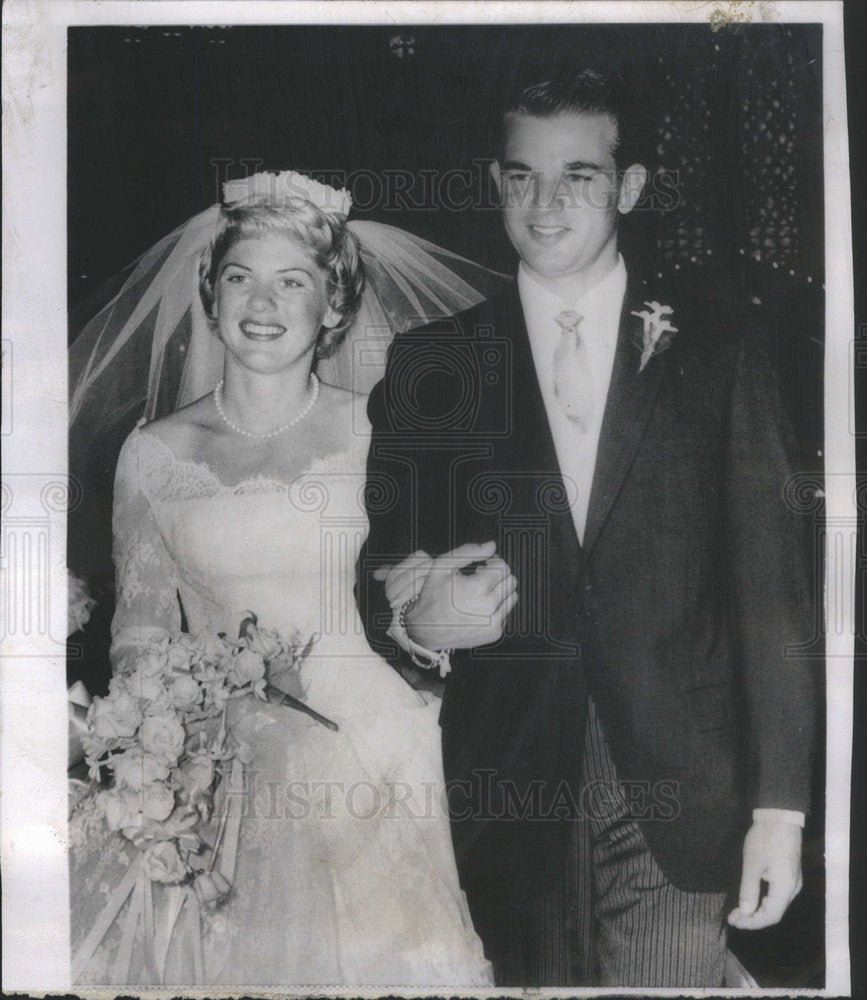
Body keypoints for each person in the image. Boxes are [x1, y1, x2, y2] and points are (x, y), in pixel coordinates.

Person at [359, 72, 817, 987]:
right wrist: (421, 623)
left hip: (684, 787)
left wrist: (781, 810)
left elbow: (773, 596)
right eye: (521, 176)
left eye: (578, 175)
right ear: (496, 184)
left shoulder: (722, 348)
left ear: (630, 187)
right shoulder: (434, 363)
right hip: (507, 782)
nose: (545, 202)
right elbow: (383, 563)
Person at [68, 171, 496, 987]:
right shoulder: (154, 453)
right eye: (240, 277)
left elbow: (425, 590)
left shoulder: (380, 428)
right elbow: (143, 641)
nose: (262, 303)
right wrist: (169, 751)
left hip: (383, 751)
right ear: (210, 292)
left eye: (291, 281)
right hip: (227, 772)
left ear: (333, 305)